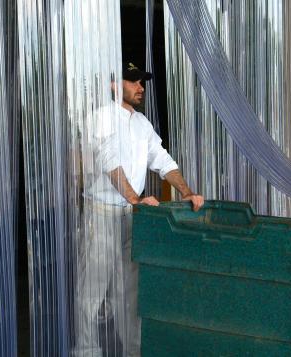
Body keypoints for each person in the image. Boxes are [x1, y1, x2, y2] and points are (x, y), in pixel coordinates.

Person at [75, 62, 204, 357]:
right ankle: (86, 351)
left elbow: (161, 158)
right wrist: (135, 199)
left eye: (141, 82)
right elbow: (108, 160)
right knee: (92, 290)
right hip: (103, 213)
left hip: (132, 217)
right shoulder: (101, 117)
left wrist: (187, 192)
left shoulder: (141, 123)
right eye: (133, 81)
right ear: (113, 85)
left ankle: (133, 351)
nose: (140, 87)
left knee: (130, 291)